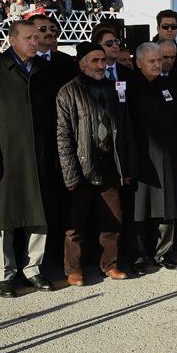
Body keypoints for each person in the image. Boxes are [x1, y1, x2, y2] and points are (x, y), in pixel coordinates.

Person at [0, 20, 57, 298]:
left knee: (38, 212)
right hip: (5, 154)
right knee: (4, 215)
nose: (35, 42)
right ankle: (4, 274)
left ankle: (33, 268)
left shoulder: (44, 70)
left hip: (38, 153)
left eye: (37, 37)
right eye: (28, 38)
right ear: (12, 40)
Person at [56, 43, 137, 286]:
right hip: (82, 164)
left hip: (110, 163)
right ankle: (74, 269)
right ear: (82, 64)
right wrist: (70, 174)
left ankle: (110, 264)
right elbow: (63, 136)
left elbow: (126, 128)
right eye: (95, 60)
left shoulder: (115, 89)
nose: (101, 65)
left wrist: (127, 167)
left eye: (103, 60)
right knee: (75, 223)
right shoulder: (68, 92)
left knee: (113, 218)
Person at [127, 42, 177, 272]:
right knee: (139, 210)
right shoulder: (129, 87)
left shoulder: (168, 85)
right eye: (151, 61)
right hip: (140, 158)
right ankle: (139, 255)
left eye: (159, 60)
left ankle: (164, 253)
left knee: (167, 207)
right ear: (139, 63)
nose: (157, 64)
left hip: (167, 158)